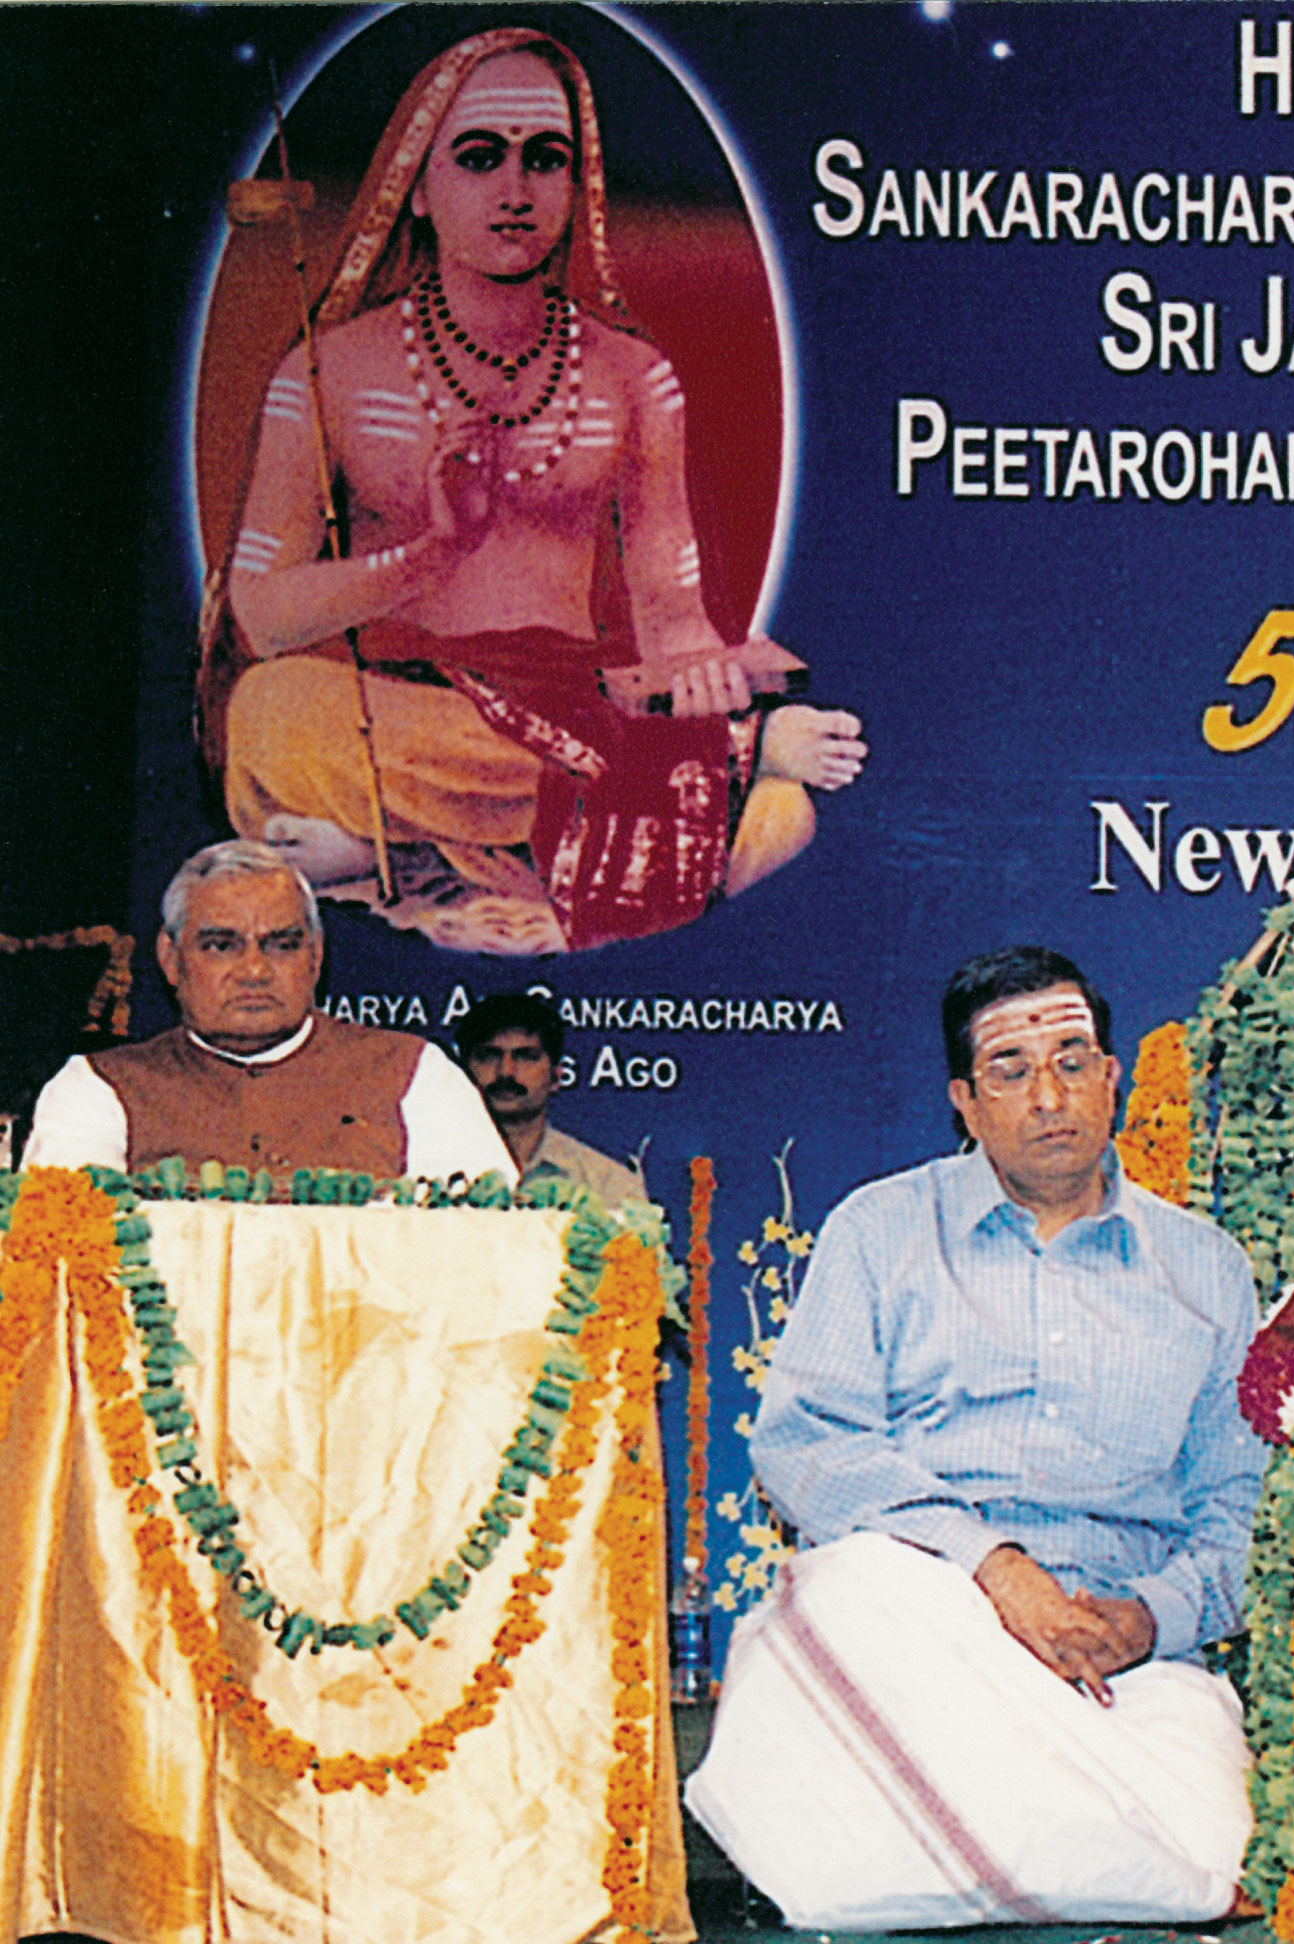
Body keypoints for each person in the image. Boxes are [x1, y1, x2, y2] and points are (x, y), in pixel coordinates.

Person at [207, 28, 866, 955]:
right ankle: (679, 787)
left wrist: (708, 671)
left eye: (545, 159)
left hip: (576, 709)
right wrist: (429, 555)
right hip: (401, 707)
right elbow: (261, 616)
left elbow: (671, 616)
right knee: (271, 712)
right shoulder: (330, 372)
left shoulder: (632, 377)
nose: (516, 190)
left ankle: (402, 855)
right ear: (417, 188)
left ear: (577, 185)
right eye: (481, 158)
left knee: (785, 817)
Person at [684, 948, 1262, 1930]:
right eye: (1011, 1070)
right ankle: (1074, 1846)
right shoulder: (880, 1230)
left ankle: (987, 1846)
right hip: (929, 1632)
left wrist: (1145, 1620)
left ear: (1112, 1077)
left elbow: (1241, 1510)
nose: (1050, 1096)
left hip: (1122, 1664)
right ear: (964, 1101)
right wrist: (992, 1567)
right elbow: (807, 1445)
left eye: (1073, 1062)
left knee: (1206, 1850)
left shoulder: (1205, 1268)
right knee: (850, 1588)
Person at [22, 840, 510, 1181]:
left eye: (281, 944)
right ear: (171, 959)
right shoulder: (99, 1088)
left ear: (315, 957)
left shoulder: (414, 1074)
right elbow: (67, 1254)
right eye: (221, 945)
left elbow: (489, 1247)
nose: (254, 971)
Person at [455, 990, 644, 1203]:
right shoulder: (430, 1170)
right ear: (462, 1074)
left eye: (526, 1057)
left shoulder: (609, 1185)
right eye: (488, 1056)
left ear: (556, 1076)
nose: (505, 1071)